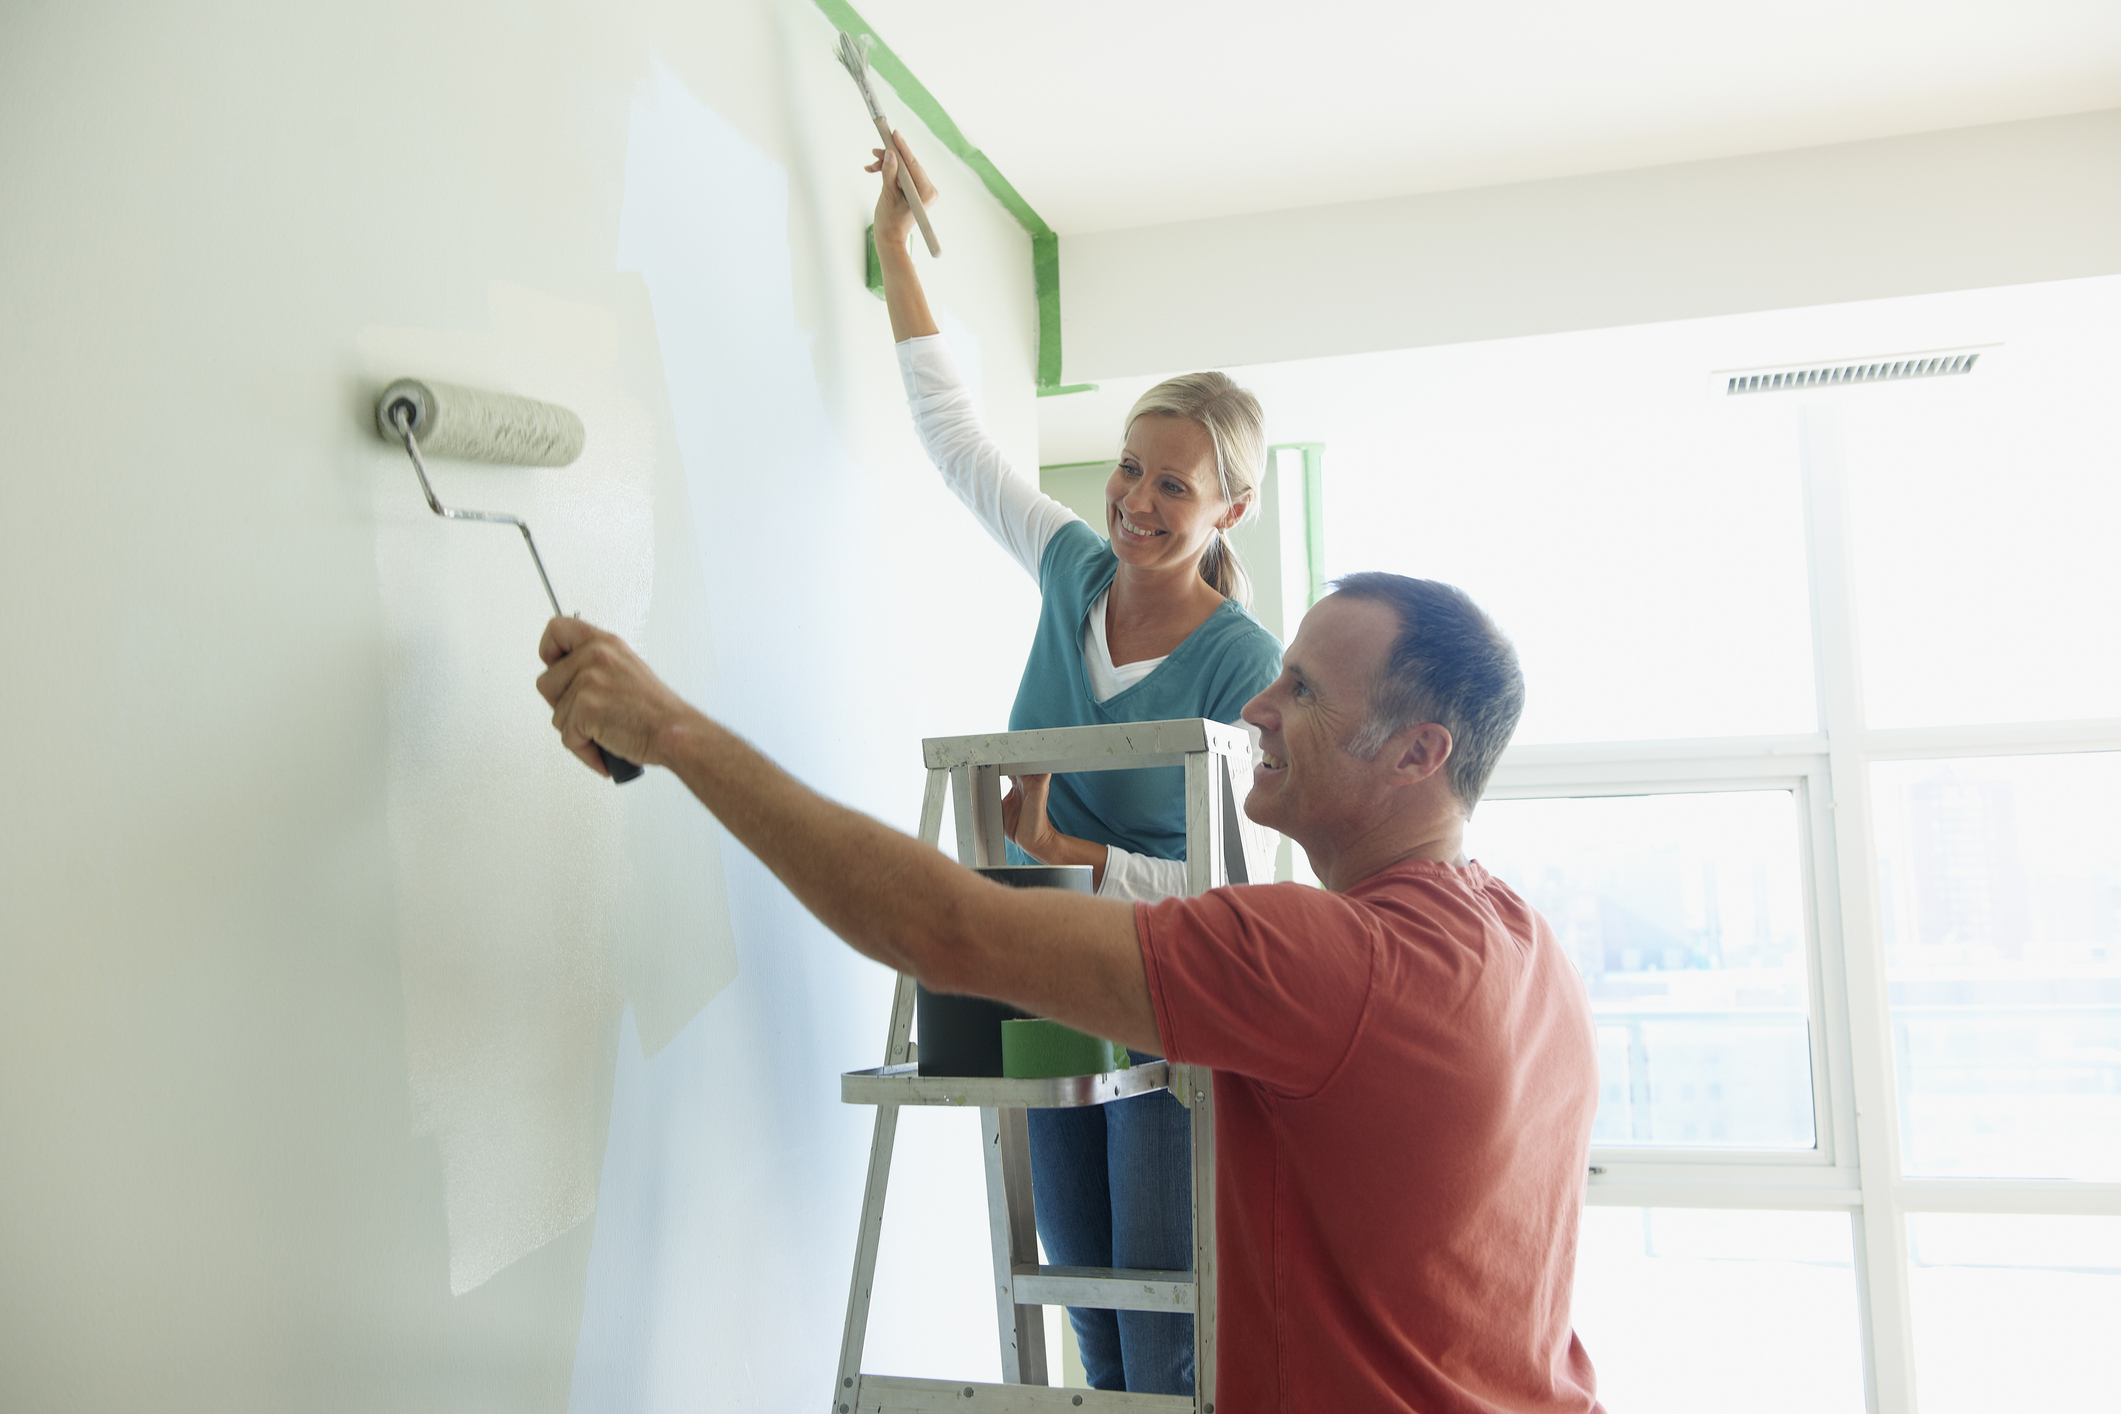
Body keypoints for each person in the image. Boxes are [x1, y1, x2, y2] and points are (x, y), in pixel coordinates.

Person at [535, 571, 1604, 1413]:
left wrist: (672, 732)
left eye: (1307, 691)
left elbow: (940, 929)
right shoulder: (1527, 945)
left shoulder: (1336, 962)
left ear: (1421, 752)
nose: (1257, 706)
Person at [865, 131, 1284, 1394]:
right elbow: (954, 437)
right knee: (1082, 1322)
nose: (1136, 502)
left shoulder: (1243, 663)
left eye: (1174, 487)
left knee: (1157, 1326)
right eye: (1127, 469)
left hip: (1164, 1005)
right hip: (1033, 983)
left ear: (1230, 513)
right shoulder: (1069, 573)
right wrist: (893, 239)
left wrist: (1072, 854)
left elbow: (1246, 902)